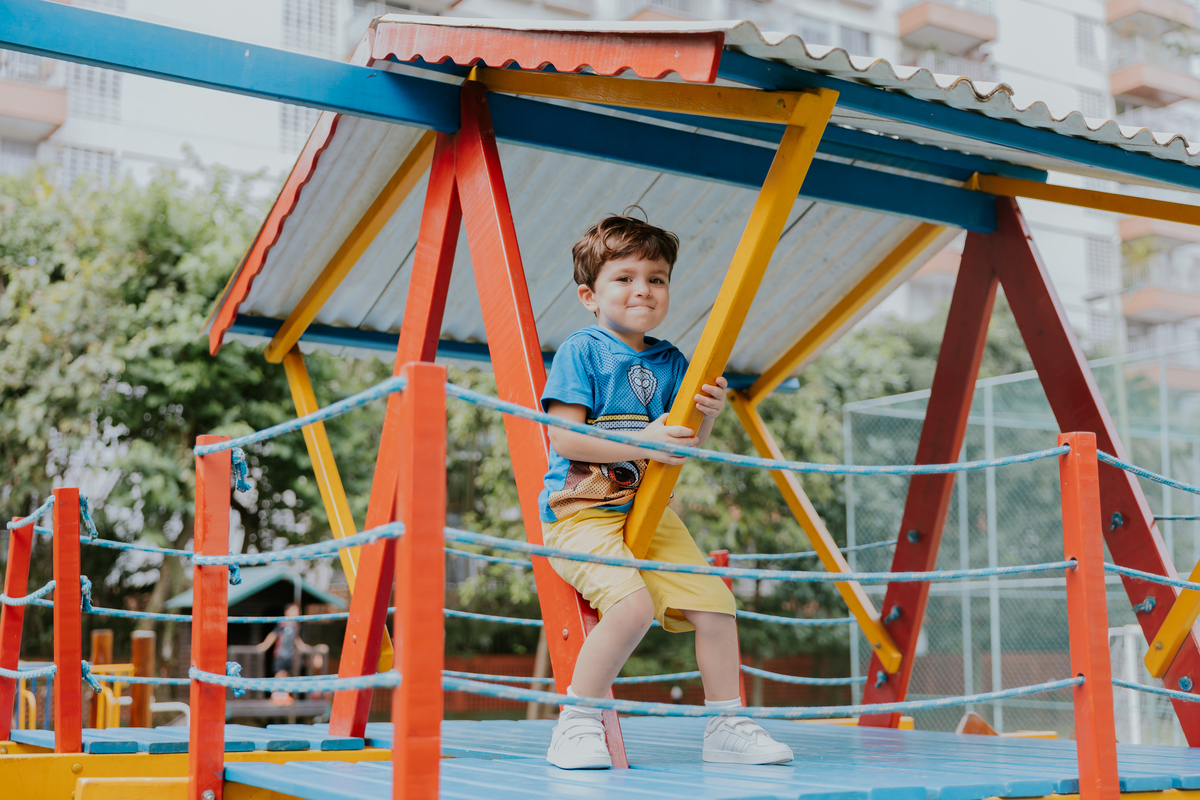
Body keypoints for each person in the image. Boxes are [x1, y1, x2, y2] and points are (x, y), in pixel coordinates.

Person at [539, 210, 794, 769]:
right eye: (625, 278)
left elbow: (683, 446)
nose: (643, 290)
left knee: (717, 605)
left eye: (656, 278)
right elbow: (564, 439)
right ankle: (576, 722)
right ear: (590, 295)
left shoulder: (673, 360)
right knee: (630, 608)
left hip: (651, 513)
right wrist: (645, 442)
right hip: (582, 511)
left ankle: (726, 723)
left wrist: (707, 415)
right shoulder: (582, 350)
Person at [255, 603, 329, 704]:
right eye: (294, 611)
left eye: (298, 612)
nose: (297, 613)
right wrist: (264, 645)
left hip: (290, 656)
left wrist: (313, 648)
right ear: (287, 613)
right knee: (280, 674)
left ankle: (284, 695)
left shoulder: (296, 627)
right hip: (280, 654)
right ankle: (276, 695)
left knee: (288, 675)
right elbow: (273, 635)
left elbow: (298, 643)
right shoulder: (282, 623)